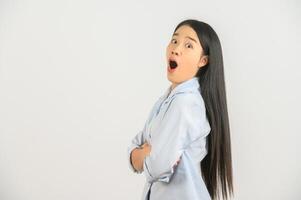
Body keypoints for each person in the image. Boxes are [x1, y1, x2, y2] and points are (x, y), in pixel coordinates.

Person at [127, 19, 234, 200]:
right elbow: (136, 145)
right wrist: (144, 154)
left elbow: (157, 167)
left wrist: (143, 154)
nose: (176, 49)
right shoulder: (167, 100)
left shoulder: (185, 104)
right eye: (174, 41)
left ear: (203, 60)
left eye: (188, 45)